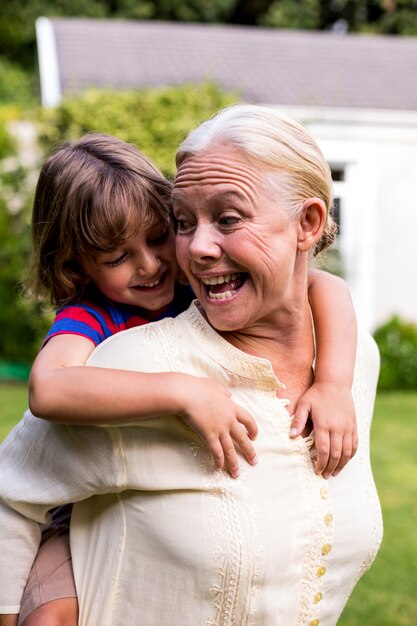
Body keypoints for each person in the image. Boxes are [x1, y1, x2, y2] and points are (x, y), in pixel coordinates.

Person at [0, 106, 380, 626]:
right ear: (79, 266)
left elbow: (326, 286)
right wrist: (181, 392)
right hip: (64, 522)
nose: (170, 258)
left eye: (161, 235)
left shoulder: (352, 355)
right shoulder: (107, 337)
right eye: (184, 223)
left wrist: (333, 381)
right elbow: (44, 402)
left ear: (308, 224)